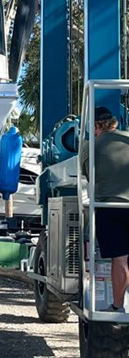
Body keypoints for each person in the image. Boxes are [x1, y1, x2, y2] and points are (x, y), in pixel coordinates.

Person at [80, 105, 129, 313]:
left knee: (120, 258)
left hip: (109, 207)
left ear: (95, 126)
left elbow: (90, 177)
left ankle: (117, 306)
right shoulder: (126, 138)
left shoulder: (90, 147)